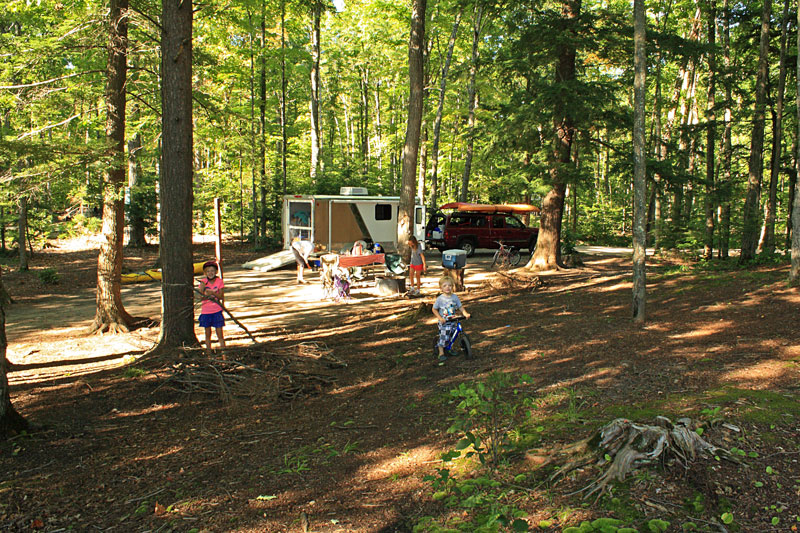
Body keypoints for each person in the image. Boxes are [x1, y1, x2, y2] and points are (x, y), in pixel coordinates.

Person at [432, 275, 470, 363]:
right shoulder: (440, 299)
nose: (447, 288)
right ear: (441, 287)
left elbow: (460, 307)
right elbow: (434, 309)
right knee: (444, 336)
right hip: (444, 322)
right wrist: (440, 318)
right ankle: (441, 352)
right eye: (445, 286)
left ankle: (450, 348)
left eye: (449, 285)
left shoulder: (454, 297)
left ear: (452, 286)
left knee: (453, 335)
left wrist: (465, 313)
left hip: (453, 320)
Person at [198, 261, 226, 358]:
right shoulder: (203, 282)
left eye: (212, 271)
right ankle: (209, 355)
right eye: (208, 271)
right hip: (206, 312)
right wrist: (206, 293)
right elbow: (201, 297)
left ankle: (224, 356)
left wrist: (213, 293)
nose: (210, 273)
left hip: (217, 311)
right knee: (207, 334)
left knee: (220, 334)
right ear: (205, 273)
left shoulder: (219, 282)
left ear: (216, 272)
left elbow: (221, 296)